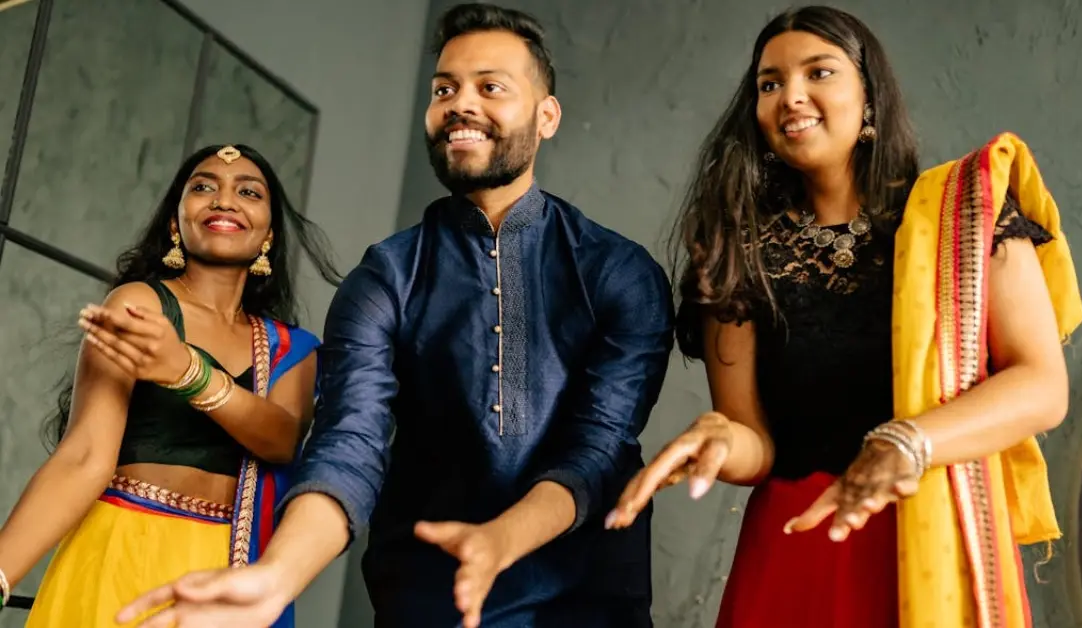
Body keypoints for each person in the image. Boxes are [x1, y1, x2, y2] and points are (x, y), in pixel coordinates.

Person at [117, 4, 673, 628]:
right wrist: (277, 578)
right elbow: (349, 442)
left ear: (547, 116)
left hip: (585, 601)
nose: (461, 105)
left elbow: (599, 447)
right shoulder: (385, 277)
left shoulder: (620, 272)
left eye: (490, 87)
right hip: (428, 600)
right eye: (444, 90)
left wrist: (501, 541)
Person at [606, 6, 1082, 628]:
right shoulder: (738, 249)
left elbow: (1042, 387)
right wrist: (722, 438)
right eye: (770, 83)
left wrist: (905, 442)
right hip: (797, 547)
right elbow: (757, 445)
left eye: (819, 72)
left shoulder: (965, 217)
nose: (791, 96)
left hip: (933, 537)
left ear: (870, 99)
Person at [0, 144, 340, 626]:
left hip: (223, 575)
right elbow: (84, 457)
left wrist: (187, 372)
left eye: (248, 192)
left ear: (269, 235)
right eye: (203, 187)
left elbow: (282, 440)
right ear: (175, 224)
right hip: (120, 548)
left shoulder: (292, 349)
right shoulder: (141, 306)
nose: (224, 200)